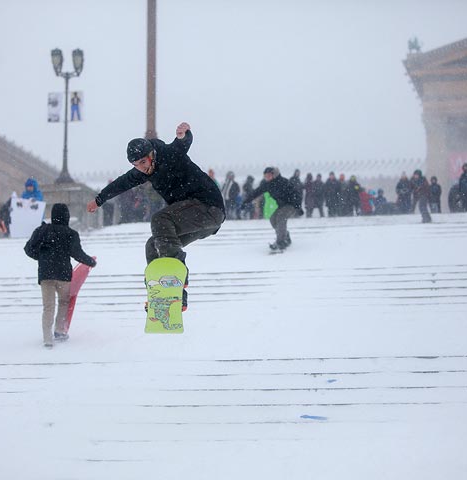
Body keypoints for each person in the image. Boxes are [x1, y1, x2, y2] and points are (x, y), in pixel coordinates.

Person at [86, 122, 225, 311]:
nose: (142, 168)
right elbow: (122, 182)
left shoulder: (169, 154)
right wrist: (99, 199)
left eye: (143, 162)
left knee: (160, 219)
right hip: (199, 218)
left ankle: (176, 279)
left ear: (152, 154)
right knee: (153, 245)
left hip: (209, 207)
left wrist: (184, 134)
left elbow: (181, 144)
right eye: (136, 165)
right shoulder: (143, 171)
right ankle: (166, 294)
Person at [24, 203, 97, 348]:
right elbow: (77, 254)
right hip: (63, 274)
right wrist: (90, 262)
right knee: (64, 302)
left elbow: (28, 249)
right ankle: (59, 331)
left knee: (48, 307)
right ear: (67, 216)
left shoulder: (42, 231)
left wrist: (41, 257)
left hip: (45, 274)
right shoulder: (71, 234)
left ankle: (47, 339)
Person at [242, 167, 304, 251]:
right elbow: (256, 192)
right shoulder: (267, 185)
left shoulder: (284, 182)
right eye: (265, 176)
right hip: (282, 206)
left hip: (291, 205)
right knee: (273, 219)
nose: (267, 178)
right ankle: (285, 235)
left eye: (269, 176)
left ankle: (280, 242)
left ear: (274, 175)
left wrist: (298, 207)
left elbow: (296, 194)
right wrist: (245, 202)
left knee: (281, 217)